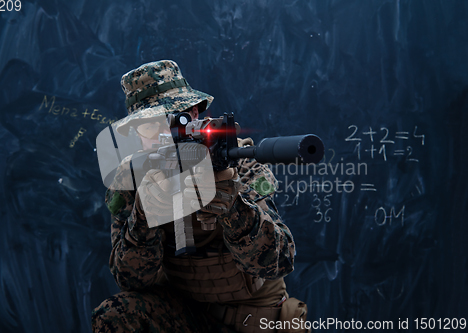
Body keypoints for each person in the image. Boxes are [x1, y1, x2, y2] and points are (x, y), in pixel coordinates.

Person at [92, 60, 309, 332]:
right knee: (116, 316)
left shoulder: (239, 165)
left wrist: (235, 210)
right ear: (137, 134)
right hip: (187, 318)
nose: (165, 135)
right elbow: (131, 280)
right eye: (150, 126)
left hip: (254, 321)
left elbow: (280, 261)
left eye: (176, 119)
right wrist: (143, 217)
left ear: (194, 114)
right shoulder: (132, 179)